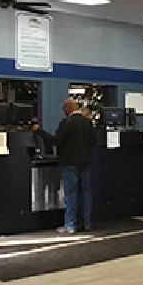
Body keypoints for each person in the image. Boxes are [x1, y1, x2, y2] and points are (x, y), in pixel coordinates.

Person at [33, 99, 97, 233]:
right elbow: (94, 140)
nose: (64, 112)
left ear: (68, 109)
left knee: (70, 194)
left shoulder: (66, 122)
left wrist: (39, 131)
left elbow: (57, 141)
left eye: (64, 109)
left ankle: (70, 225)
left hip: (70, 162)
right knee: (86, 193)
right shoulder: (88, 122)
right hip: (86, 162)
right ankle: (87, 223)